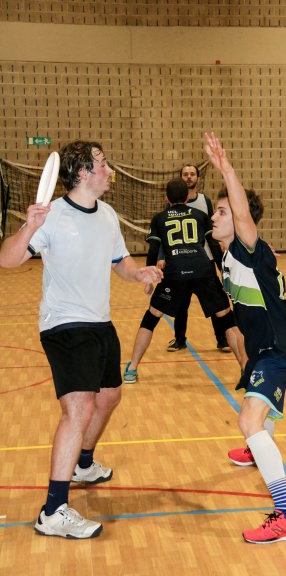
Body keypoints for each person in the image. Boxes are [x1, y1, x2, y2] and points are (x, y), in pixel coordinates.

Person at [0, 140, 162, 539]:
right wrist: (29, 227)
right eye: (103, 164)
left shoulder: (107, 214)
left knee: (109, 396)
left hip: (99, 323)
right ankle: (53, 510)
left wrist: (138, 274)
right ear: (84, 173)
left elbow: (119, 260)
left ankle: (82, 463)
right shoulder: (51, 215)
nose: (110, 170)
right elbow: (8, 259)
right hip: (64, 324)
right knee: (80, 408)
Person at [204, 132, 286, 544]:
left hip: (280, 348)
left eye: (222, 212)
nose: (216, 216)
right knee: (257, 418)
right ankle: (257, 445)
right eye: (217, 211)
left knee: (248, 419)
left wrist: (227, 169)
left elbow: (245, 218)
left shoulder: (250, 248)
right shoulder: (228, 255)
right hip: (268, 347)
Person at [123, 178, 245, 383]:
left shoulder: (159, 218)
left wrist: (149, 279)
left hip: (175, 273)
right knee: (226, 320)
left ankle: (132, 369)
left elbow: (154, 249)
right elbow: (214, 248)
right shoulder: (200, 215)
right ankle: (245, 368)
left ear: (166, 198)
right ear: (188, 196)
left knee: (150, 319)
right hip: (202, 270)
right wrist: (223, 274)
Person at [166, 164, 231, 353]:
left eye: (192, 174)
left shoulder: (205, 200)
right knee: (180, 303)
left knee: (216, 302)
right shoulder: (172, 204)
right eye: (185, 174)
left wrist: (219, 261)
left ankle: (222, 340)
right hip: (181, 262)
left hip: (205, 262)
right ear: (180, 178)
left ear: (197, 178)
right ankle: (179, 340)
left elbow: (212, 232)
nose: (188, 177)